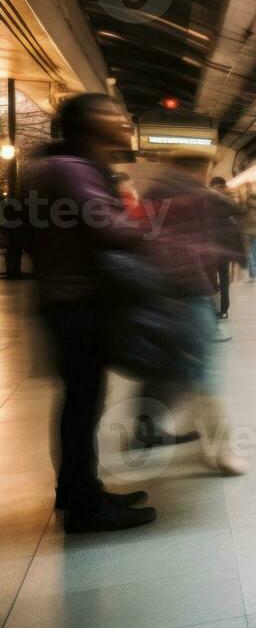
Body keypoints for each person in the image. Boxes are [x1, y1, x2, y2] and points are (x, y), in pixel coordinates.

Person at [27, 93, 156, 532]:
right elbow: (111, 228)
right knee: (83, 404)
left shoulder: (61, 166)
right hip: (77, 303)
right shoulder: (72, 169)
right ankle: (84, 507)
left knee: (83, 402)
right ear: (88, 123)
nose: (124, 120)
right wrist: (141, 217)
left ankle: (79, 491)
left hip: (68, 299)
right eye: (114, 113)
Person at [138, 156, 248, 475]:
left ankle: (163, 425)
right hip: (189, 293)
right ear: (200, 170)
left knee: (182, 367)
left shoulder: (154, 193)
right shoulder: (200, 197)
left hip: (156, 294)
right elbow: (227, 237)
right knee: (207, 371)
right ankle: (223, 450)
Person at [207, 177, 239, 323]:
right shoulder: (227, 200)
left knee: (212, 278)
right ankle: (224, 309)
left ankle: (215, 309)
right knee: (224, 278)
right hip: (224, 245)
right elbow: (237, 212)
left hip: (212, 245)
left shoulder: (207, 200)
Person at [239, 191, 256, 283]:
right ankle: (254, 274)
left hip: (247, 232)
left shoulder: (244, 207)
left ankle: (252, 273)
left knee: (249, 253)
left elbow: (240, 219)